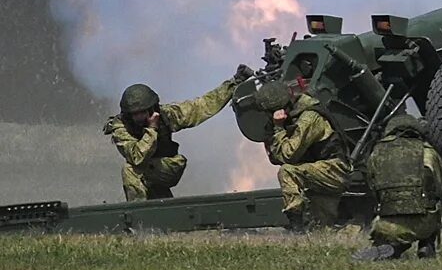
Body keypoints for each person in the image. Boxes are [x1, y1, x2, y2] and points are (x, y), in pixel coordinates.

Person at [104, 65, 253, 201]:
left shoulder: (167, 115)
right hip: (148, 168)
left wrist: (234, 83)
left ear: (152, 108)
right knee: (134, 170)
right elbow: (137, 157)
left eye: (142, 112)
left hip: (169, 167)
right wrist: (152, 129)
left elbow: (201, 106)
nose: (138, 117)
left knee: (131, 171)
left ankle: (139, 219)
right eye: (134, 114)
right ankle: (150, 217)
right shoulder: (120, 127)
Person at [254, 80, 350, 230]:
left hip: (335, 170)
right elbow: (275, 157)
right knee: (321, 231)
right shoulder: (294, 116)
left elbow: (287, 156)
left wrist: (278, 129)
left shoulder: (309, 117)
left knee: (287, 171)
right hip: (318, 173)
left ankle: (296, 226)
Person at [351, 113, 442, 262]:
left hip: (385, 225)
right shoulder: (427, 152)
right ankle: (426, 246)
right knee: (435, 203)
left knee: (389, 231)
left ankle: (391, 247)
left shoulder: (377, 152)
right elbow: (438, 187)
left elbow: (373, 187)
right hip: (423, 225)